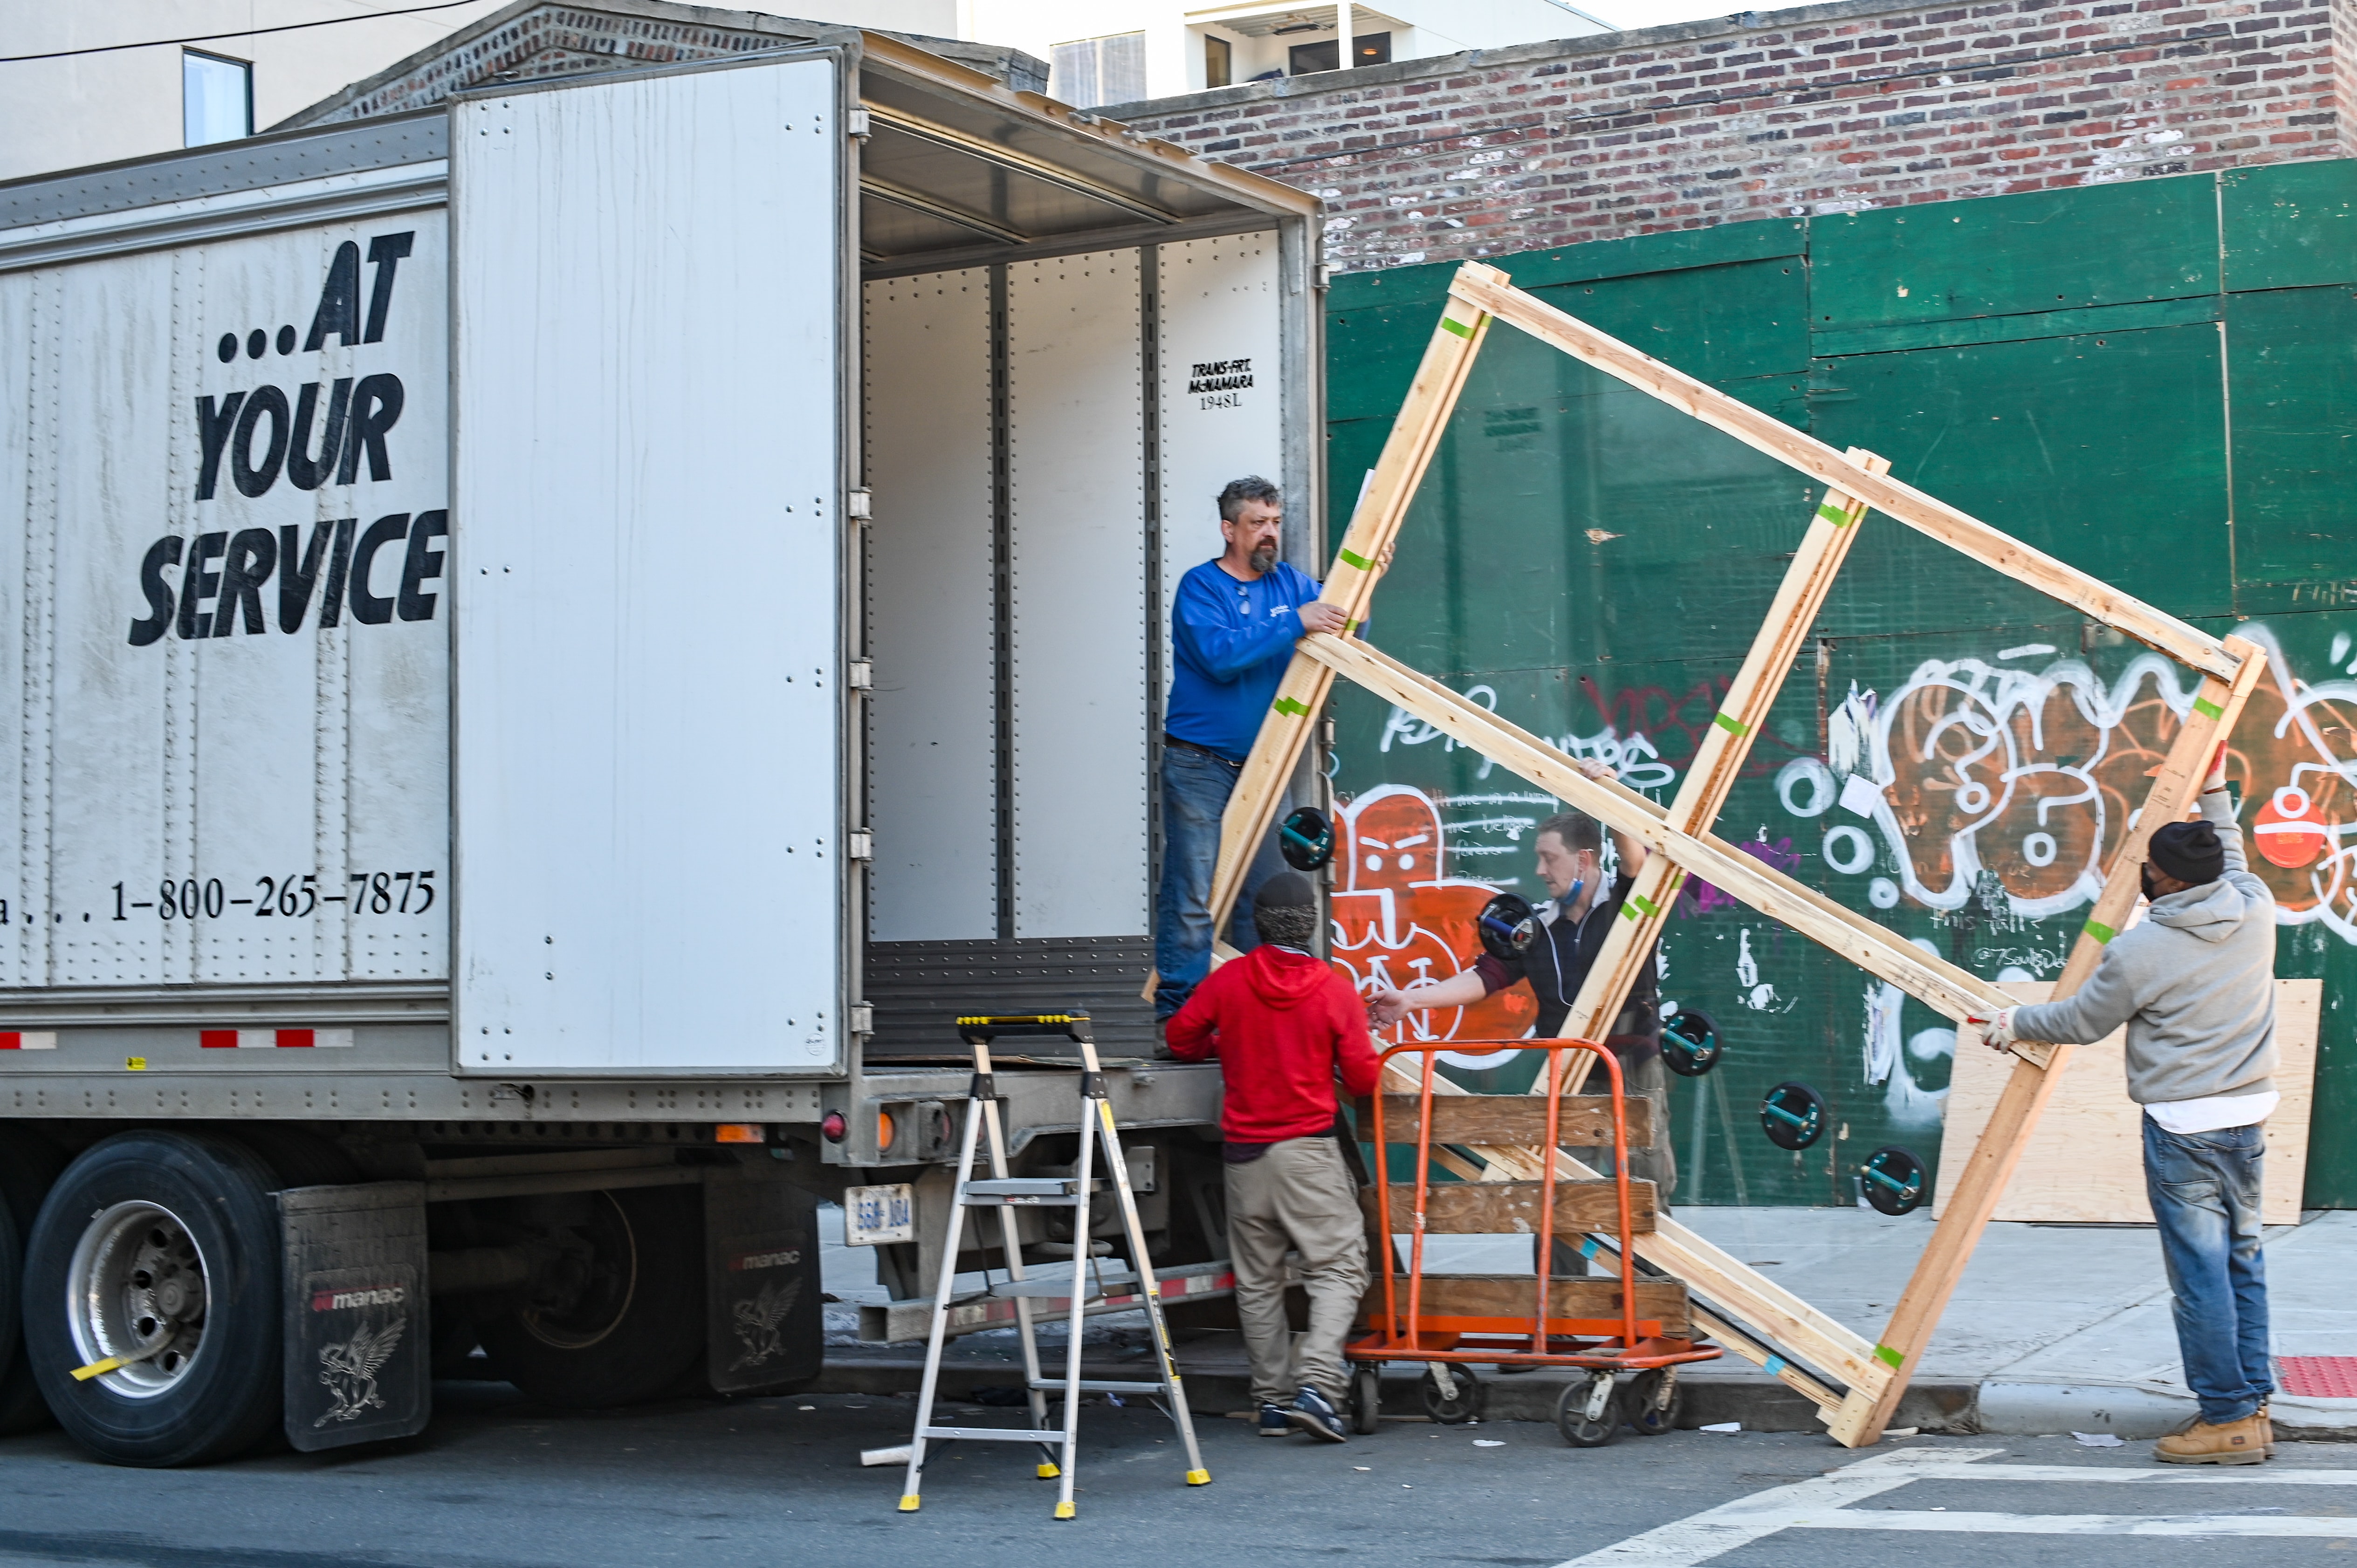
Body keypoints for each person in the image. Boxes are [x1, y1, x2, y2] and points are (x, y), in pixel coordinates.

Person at [1979, 747, 2278, 1466]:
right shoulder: (2255, 906)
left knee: (2198, 1278)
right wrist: (2215, 794)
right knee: (2243, 1259)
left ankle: (2227, 1417)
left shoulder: (2142, 948)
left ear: (2163, 879)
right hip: (2247, 1117)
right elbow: (2230, 855)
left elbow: (2081, 1021)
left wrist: (2014, 1021)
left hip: (2183, 1129)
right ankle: (2253, 1400)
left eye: (2150, 868)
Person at [1365, 759, 1675, 1205]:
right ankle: (1563, 1278)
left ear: (1583, 859)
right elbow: (1484, 977)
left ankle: (1652, 1271)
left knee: (1648, 1185)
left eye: (1549, 858)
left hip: (1633, 1062)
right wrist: (1410, 1001)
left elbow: (1633, 858)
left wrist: (1608, 787)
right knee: (1563, 1194)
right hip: (1571, 1070)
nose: (1540, 869)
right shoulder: (1537, 925)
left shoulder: (1626, 904)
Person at [1165, 871, 1381, 1443]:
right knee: (1339, 1266)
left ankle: (1272, 1402)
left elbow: (1181, 1036)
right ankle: (1317, 1384)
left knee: (1258, 1281)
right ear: (1310, 924)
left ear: (1258, 925)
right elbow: (1363, 1077)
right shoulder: (1331, 988)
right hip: (1306, 1153)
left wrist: (1226, 1041)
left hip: (1243, 1159)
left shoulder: (1230, 981)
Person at [1154, 476, 1348, 1024]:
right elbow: (1219, 655)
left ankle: (1259, 1023)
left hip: (1266, 764)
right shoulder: (1200, 587)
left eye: (1275, 523)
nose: (1270, 534)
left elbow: (1350, 625)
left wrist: (1369, 577)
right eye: (1258, 524)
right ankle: (1179, 1022)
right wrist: (1293, 621)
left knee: (1264, 900)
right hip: (1199, 763)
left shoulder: (1290, 583)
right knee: (1192, 893)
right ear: (1228, 530)